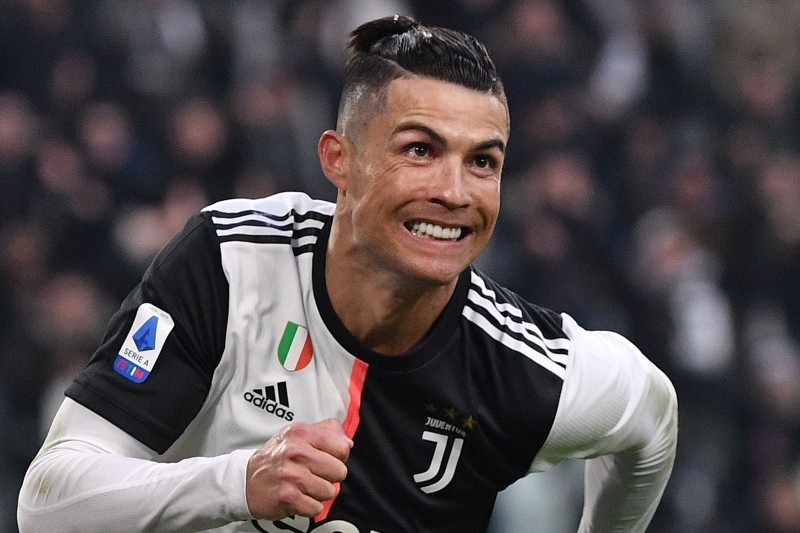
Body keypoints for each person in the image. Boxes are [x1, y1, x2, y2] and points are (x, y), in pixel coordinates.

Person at [17, 15, 677, 533]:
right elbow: (49, 502)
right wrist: (238, 482)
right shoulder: (231, 261)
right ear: (339, 160)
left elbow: (653, 417)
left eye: (483, 162)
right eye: (420, 150)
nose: (455, 190)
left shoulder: (520, 367)